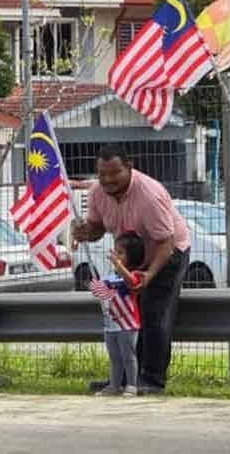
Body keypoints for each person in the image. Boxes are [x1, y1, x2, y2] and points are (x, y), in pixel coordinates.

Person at [72, 144, 191, 395]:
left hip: (167, 252)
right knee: (126, 317)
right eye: (102, 174)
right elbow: (96, 227)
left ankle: (152, 380)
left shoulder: (149, 195)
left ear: (129, 167)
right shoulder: (97, 193)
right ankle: (126, 379)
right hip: (132, 256)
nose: (107, 180)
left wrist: (149, 274)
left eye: (114, 174)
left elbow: (165, 243)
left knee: (154, 312)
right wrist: (85, 232)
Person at [89, 233, 146, 397]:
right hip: (111, 324)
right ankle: (114, 385)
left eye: (120, 253)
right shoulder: (110, 277)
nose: (115, 256)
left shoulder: (134, 275)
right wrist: (96, 286)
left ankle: (131, 385)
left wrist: (119, 265)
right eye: (115, 252)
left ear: (132, 257)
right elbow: (100, 292)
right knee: (115, 357)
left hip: (127, 325)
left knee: (128, 356)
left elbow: (131, 283)